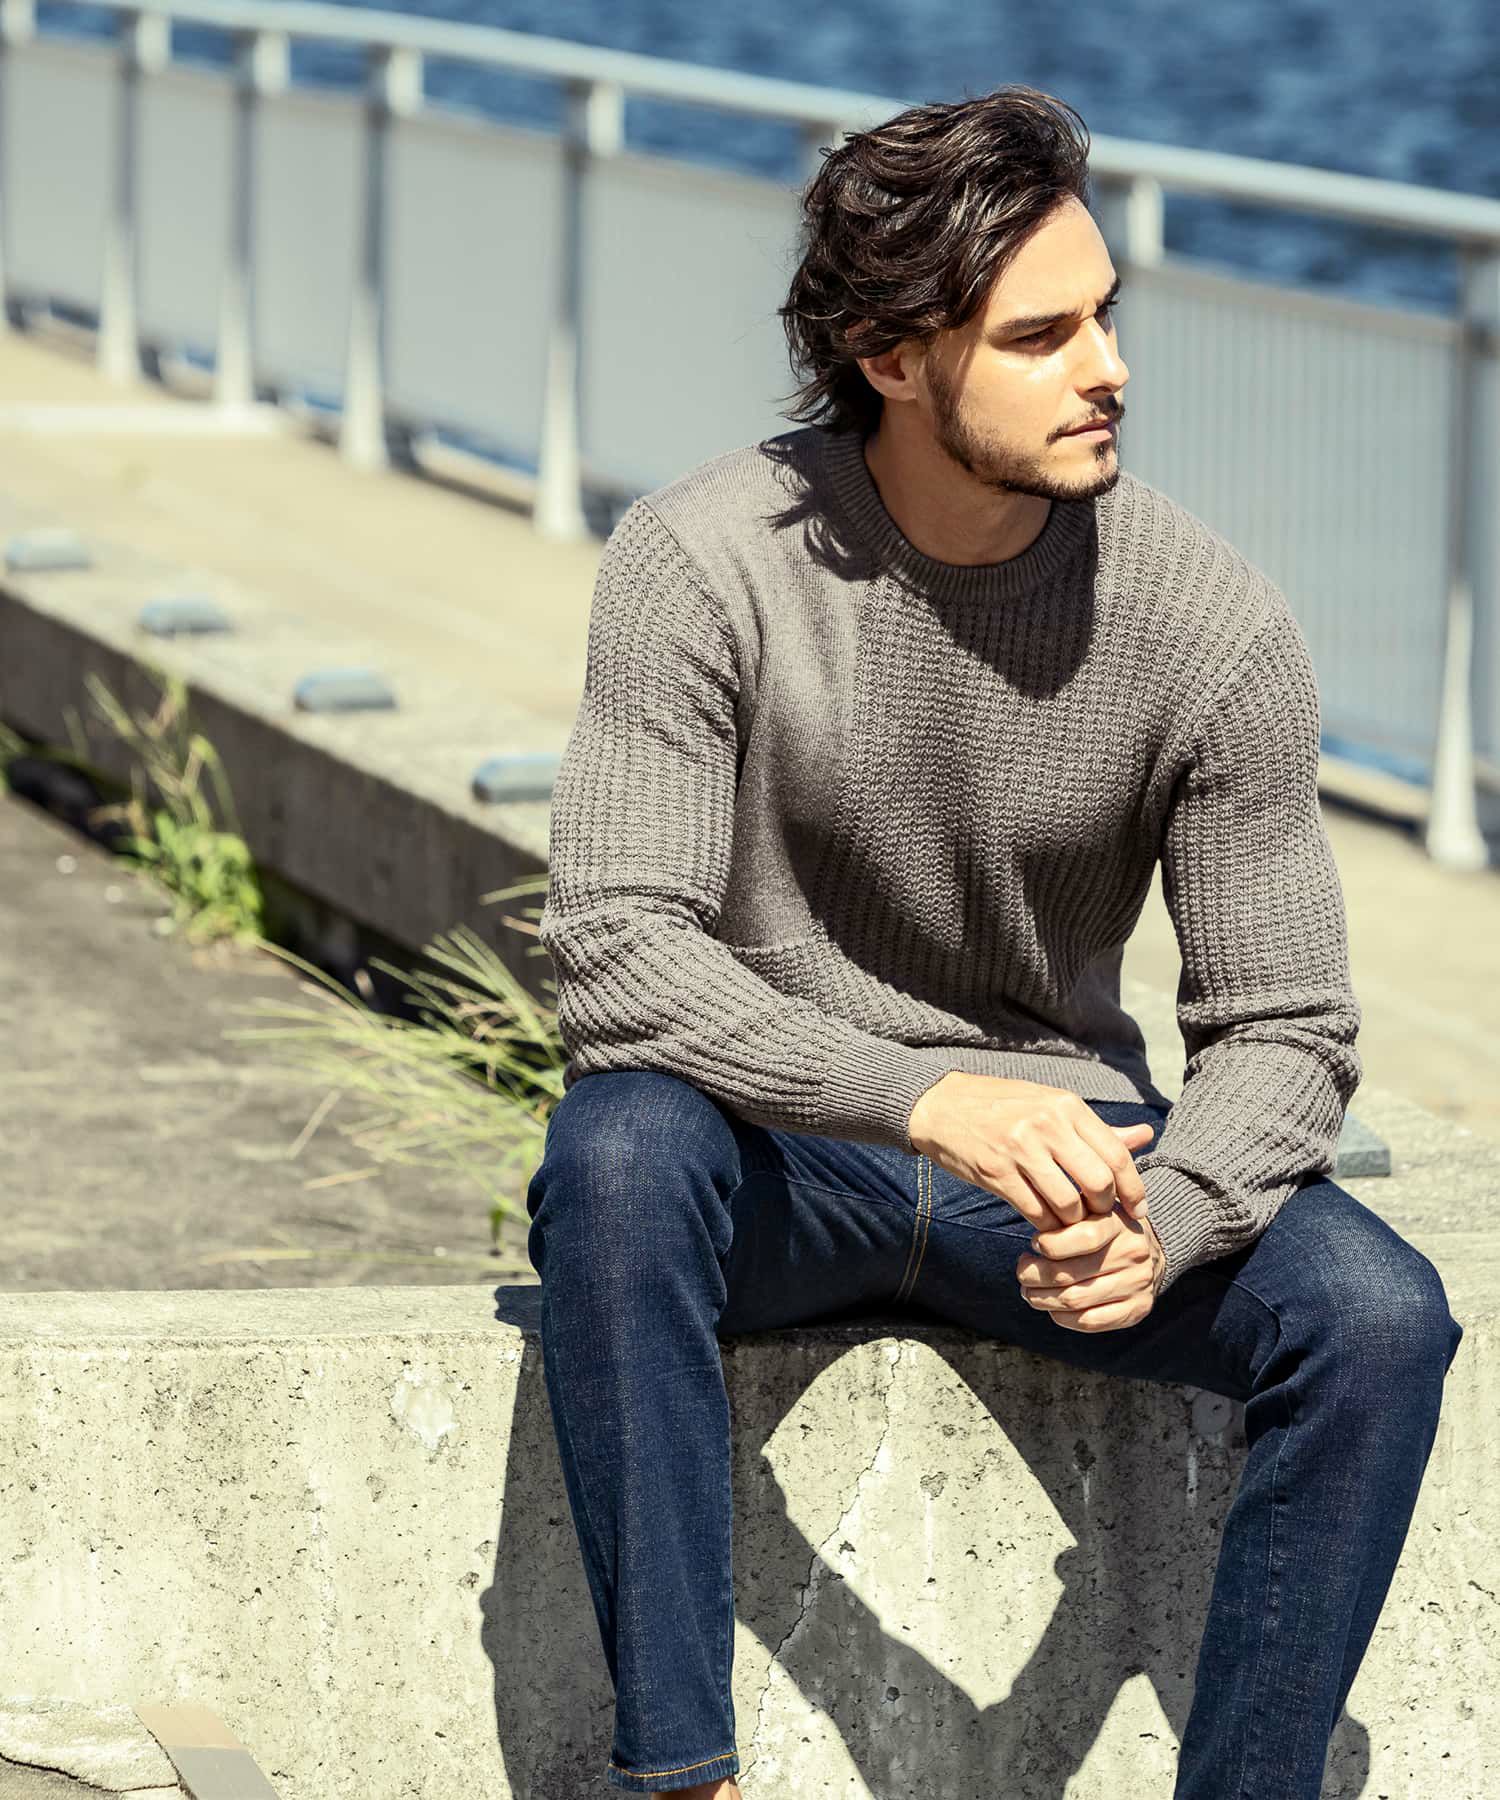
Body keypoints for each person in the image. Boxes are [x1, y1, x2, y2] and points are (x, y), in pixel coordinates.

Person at [524, 84, 1463, 1798]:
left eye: (1104, 315)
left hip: (1061, 1172)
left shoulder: (1211, 621)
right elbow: (613, 948)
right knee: (620, 1155)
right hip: (780, 1152)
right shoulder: (701, 561)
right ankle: (681, 1779)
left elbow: (1286, 1026)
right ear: (889, 354)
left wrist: (1178, 1217)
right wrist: (923, 1100)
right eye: (1041, 336)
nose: (1108, 368)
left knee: (1379, 1317)